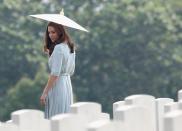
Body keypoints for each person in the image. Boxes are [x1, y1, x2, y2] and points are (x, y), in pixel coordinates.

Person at [40, 22, 75, 119]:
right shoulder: (69, 47)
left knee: (55, 117)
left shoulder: (58, 48)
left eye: (53, 32)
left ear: (60, 32)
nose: (50, 35)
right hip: (67, 84)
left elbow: (55, 74)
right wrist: (51, 54)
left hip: (58, 85)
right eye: (49, 32)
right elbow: (71, 71)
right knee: (64, 117)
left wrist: (45, 92)